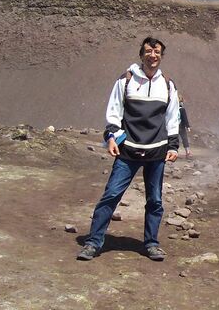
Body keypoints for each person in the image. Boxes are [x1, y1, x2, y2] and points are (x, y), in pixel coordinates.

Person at [77, 36, 179, 262]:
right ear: (141, 54)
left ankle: (151, 243)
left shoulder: (168, 85)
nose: (153, 55)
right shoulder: (126, 81)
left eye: (157, 52)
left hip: (157, 152)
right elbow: (114, 112)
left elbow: (173, 118)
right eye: (148, 51)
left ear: (161, 56)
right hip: (128, 151)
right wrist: (111, 138)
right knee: (111, 194)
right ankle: (93, 242)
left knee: (155, 200)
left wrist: (173, 145)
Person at [178, 94, 192, 158]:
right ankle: (187, 152)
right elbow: (185, 118)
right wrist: (188, 126)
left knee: (174, 139)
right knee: (184, 138)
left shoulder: (173, 109)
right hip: (181, 126)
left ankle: (173, 151)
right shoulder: (182, 109)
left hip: (174, 126)